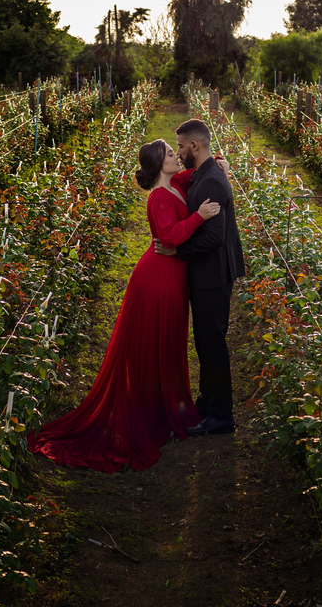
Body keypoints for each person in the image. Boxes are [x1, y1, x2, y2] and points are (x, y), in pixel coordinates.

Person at [28, 139, 221, 472]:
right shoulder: (158, 198)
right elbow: (170, 236)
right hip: (156, 280)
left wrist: (218, 161)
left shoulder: (175, 183)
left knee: (170, 339)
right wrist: (200, 217)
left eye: (176, 152)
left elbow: (196, 172)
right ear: (159, 164)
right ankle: (152, 413)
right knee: (155, 342)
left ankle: (165, 406)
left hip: (173, 277)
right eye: (171, 155)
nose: (177, 157)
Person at [154, 119, 246, 436]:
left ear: (195, 146)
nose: (178, 153)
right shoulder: (205, 173)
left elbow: (214, 238)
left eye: (180, 146)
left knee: (212, 343)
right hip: (210, 272)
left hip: (214, 274)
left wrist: (177, 252)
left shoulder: (210, 182)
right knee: (206, 342)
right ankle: (208, 404)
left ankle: (220, 416)